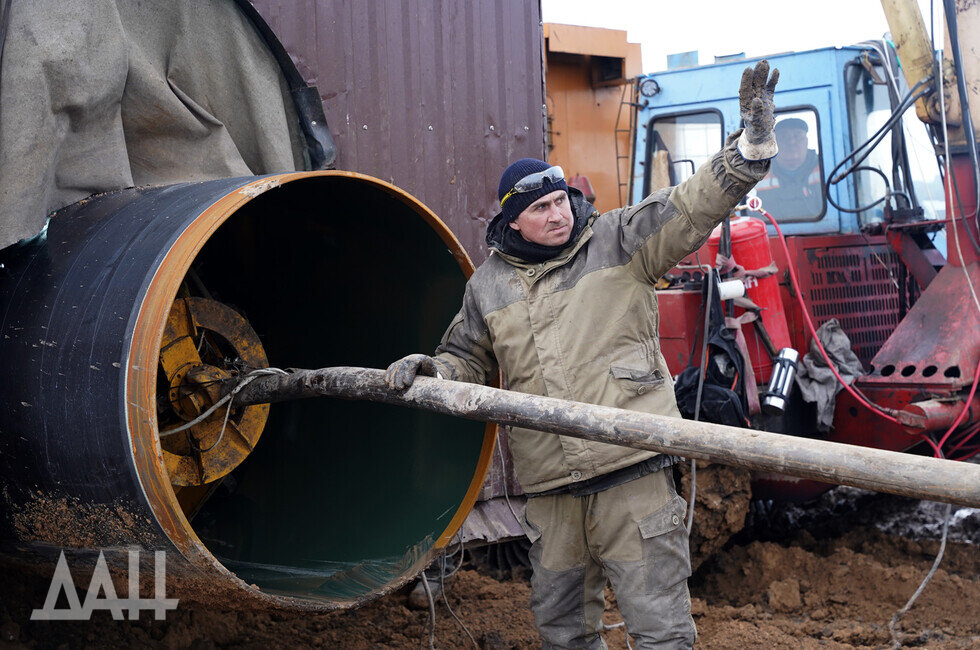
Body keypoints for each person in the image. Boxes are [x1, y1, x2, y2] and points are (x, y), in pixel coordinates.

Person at [385, 60, 780, 649]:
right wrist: (432, 373)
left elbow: (692, 205)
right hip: (552, 495)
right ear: (511, 220)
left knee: (661, 633)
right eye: (541, 209)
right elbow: (464, 358)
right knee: (564, 636)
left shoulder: (620, 242)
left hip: (634, 476)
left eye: (562, 201)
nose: (559, 214)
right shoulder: (487, 287)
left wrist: (748, 149)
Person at [753, 117, 822, 217]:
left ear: (806, 141)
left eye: (798, 136)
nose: (792, 142)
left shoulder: (824, 169)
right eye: (784, 137)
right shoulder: (757, 176)